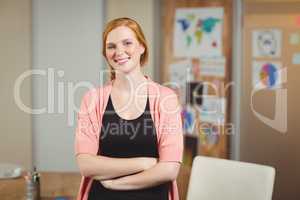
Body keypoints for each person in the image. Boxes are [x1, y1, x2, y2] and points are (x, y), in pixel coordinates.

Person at [75, 17, 183, 200]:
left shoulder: (166, 99)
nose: (119, 51)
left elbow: (169, 169)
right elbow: (86, 165)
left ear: (142, 47)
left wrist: (116, 184)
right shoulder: (92, 99)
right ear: (105, 53)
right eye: (111, 46)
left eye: (127, 43)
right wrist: (144, 163)